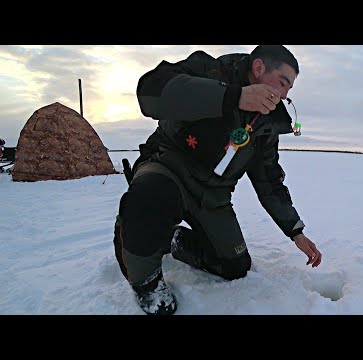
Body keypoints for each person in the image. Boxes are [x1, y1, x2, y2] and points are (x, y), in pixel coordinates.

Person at [113, 45, 322, 315]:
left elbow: (269, 182)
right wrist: (233, 97)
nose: (284, 95)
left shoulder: (265, 125)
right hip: (167, 168)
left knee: (235, 266)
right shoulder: (209, 70)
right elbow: (150, 92)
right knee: (151, 196)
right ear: (258, 68)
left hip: (213, 197)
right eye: (283, 82)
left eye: (289, 90)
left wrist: (295, 231)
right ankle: (146, 281)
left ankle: (173, 241)